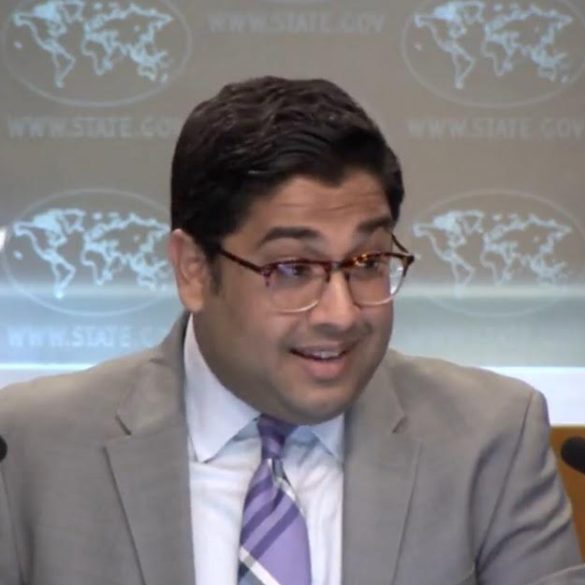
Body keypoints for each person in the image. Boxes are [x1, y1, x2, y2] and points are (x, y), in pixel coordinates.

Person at [0, 76, 582, 585]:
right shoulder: (27, 450)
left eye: (369, 262)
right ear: (194, 270)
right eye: (292, 269)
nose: (342, 314)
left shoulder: (490, 438)